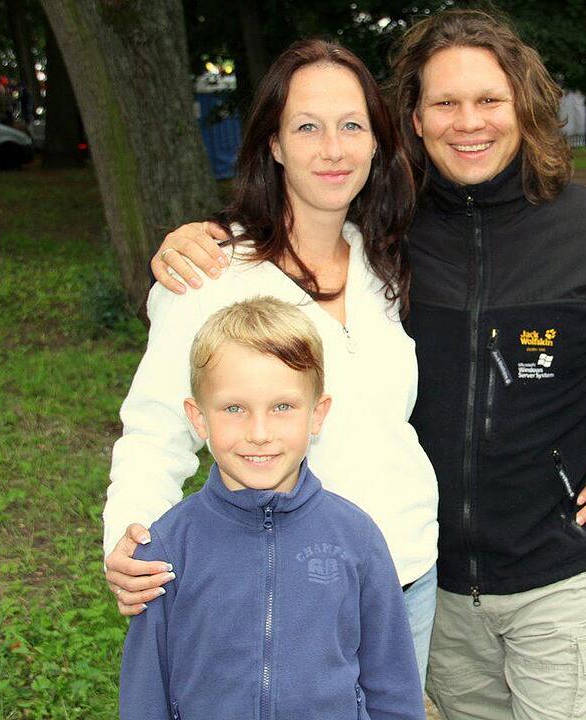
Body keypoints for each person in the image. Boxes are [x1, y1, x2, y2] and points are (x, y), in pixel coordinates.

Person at [152, 9, 586, 720]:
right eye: (445, 103)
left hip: (557, 582)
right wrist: (208, 240)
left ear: (524, 106)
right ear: (416, 121)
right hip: (435, 585)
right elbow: (300, 216)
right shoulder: (390, 232)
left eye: (489, 100)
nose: (469, 122)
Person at [102, 39, 440, 682]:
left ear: (376, 142)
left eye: (351, 126)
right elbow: (153, 429)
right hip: (284, 589)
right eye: (307, 127)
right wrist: (131, 537)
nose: (333, 149)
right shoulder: (213, 274)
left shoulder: (383, 260)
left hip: (406, 577)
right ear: (274, 145)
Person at [119, 297, 424, 720]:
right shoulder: (170, 546)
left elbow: (393, 686)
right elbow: (144, 692)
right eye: (234, 409)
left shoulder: (357, 538)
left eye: (282, 407)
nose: (259, 433)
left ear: (317, 414)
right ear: (199, 417)